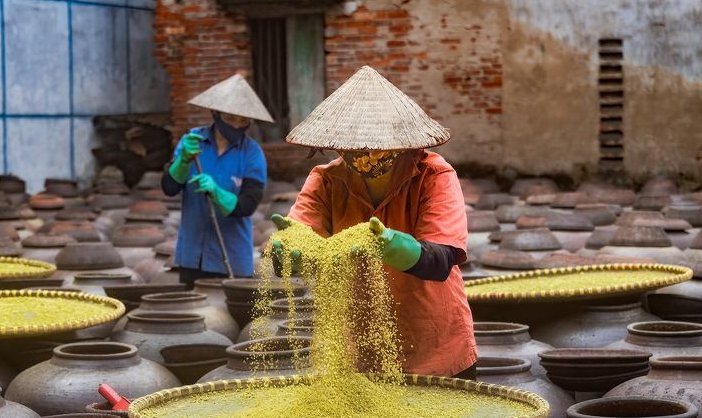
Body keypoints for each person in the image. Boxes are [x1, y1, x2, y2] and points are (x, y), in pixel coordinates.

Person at [273, 65, 477, 379]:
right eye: (355, 146)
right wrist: (289, 252)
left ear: (399, 141)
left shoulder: (433, 175)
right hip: (360, 353)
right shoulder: (326, 181)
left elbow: (441, 259)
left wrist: (402, 249)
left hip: (434, 346)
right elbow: (302, 233)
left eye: (377, 144)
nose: (367, 153)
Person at [163, 74, 272, 288]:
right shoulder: (192, 142)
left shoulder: (252, 153)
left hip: (233, 256)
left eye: (243, 121)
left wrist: (216, 192)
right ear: (215, 113)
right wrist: (183, 161)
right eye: (230, 119)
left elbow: (247, 205)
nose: (236, 125)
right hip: (193, 255)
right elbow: (169, 187)